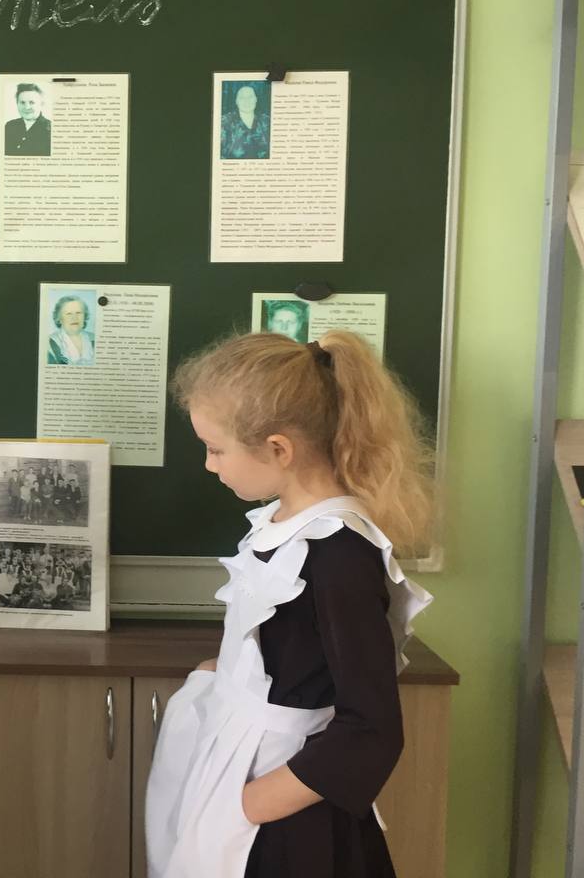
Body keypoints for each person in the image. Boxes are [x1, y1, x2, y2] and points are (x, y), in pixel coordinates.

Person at [144, 331, 435, 878]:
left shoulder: (340, 556)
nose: (208, 465)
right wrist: (225, 672)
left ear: (279, 449)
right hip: (239, 771)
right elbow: (296, 649)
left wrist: (248, 806)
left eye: (216, 449)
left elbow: (370, 728)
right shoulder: (282, 526)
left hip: (284, 813)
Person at [219, 83, 270, 160]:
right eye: (242, 98)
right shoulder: (224, 122)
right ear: (236, 101)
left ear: (256, 99)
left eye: (250, 97)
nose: (247, 101)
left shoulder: (267, 121)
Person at [4, 82, 51, 157]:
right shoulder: (9, 126)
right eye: (22, 102)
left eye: (31, 102)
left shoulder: (51, 130)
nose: (26, 107)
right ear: (17, 104)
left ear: (41, 104)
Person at [47, 295, 96, 366]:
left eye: (78, 313)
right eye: (69, 314)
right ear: (59, 318)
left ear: (85, 316)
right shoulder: (49, 343)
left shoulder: (95, 338)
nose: (74, 318)